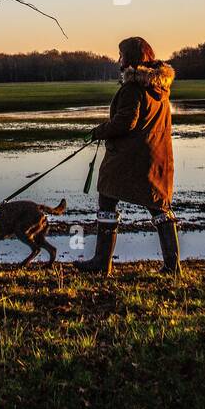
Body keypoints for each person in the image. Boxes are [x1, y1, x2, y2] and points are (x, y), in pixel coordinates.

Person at [76, 36, 179, 276]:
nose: (118, 59)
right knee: (159, 206)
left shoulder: (133, 87)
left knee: (107, 199)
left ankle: (102, 263)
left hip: (129, 158)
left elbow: (125, 123)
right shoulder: (159, 88)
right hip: (156, 157)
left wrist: (97, 132)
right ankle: (172, 266)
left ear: (131, 59)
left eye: (121, 55)